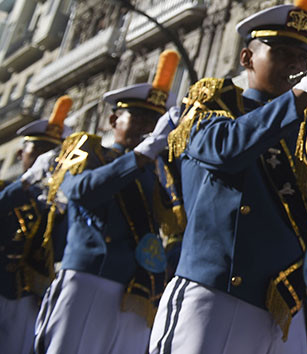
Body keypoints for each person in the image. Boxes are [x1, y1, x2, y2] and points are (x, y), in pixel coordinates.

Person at [148, 0, 307, 354]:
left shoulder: (301, 126)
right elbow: (225, 149)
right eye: (282, 52)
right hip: (213, 290)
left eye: (304, 59)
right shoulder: (212, 99)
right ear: (248, 59)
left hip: (281, 305)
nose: (297, 65)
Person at [35, 55, 180, 354]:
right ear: (114, 120)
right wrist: (142, 154)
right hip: (90, 276)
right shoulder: (87, 149)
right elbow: (80, 190)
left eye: (153, 121)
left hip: (140, 286)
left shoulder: (157, 169)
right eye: (138, 118)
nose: (147, 128)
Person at [0, 97, 69, 354]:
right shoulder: (8, 190)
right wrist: (26, 183)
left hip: (28, 297)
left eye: (50, 155)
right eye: (37, 150)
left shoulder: (55, 205)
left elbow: (59, 251)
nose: (43, 159)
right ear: (21, 154)